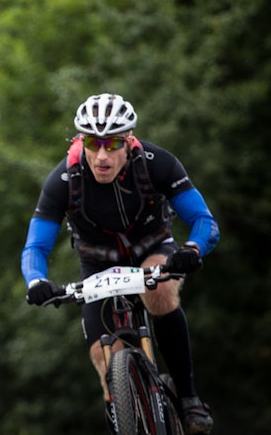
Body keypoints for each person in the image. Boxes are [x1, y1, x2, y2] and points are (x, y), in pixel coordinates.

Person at [20, 94, 219, 434]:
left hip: (152, 249)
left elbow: (203, 220)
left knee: (159, 293)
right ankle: (123, 414)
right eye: (92, 143)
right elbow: (35, 245)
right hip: (97, 264)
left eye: (112, 144)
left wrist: (192, 248)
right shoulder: (63, 180)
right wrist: (36, 281)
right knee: (103, 358)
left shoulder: (158, 163)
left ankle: (188, 398)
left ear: (128, 142)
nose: (101, 156)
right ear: (80, 141)